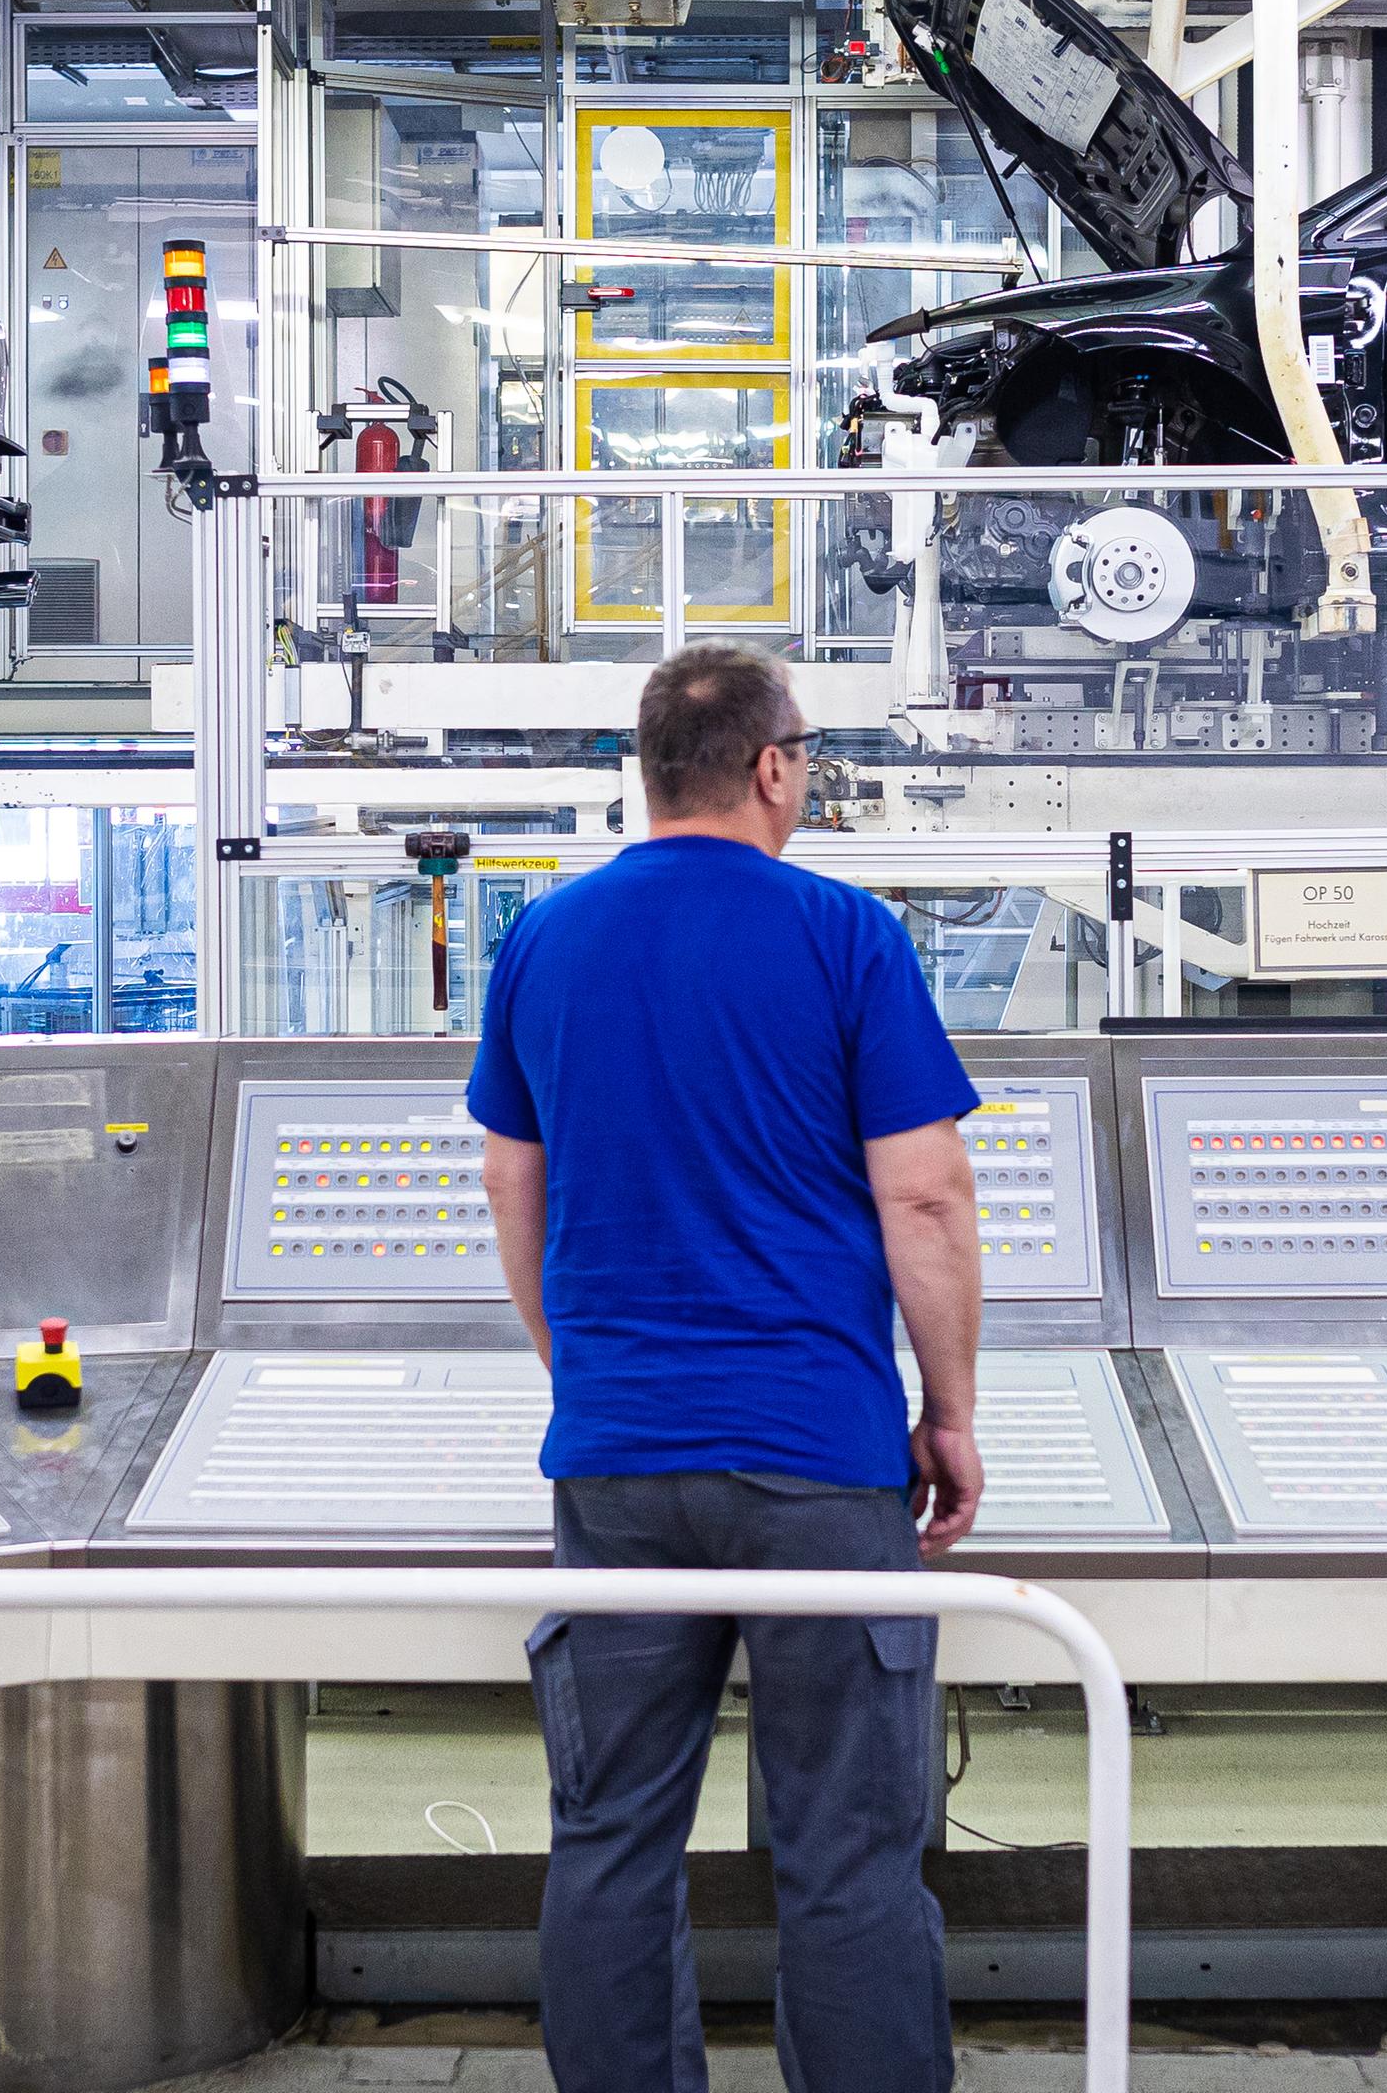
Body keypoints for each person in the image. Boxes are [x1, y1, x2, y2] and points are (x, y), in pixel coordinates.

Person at [468, 642, 988, 2093]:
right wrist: (946, 1415)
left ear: (649, 772)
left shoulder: (546, 940)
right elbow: (928, 1203)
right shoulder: (848, 938)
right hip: (819, 1460)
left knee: (614, 1833)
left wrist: (591, 1378)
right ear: (772, 767)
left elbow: (518, 1186)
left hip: (619, 1464)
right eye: (806, 759)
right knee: (849, 1852)